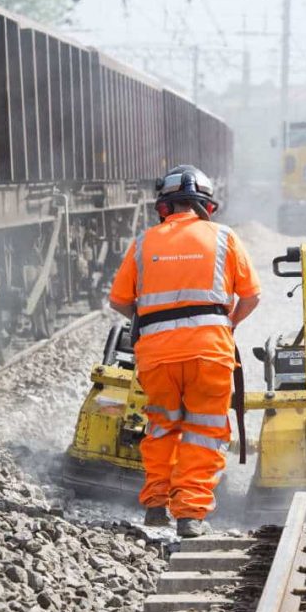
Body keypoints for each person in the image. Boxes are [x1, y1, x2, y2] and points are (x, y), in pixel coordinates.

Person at [108, 165, 261, 538]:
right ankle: (190, 515)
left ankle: (156, 505)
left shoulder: (144, 242)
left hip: (157, 355)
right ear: (207, 206)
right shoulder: (225, 238)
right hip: (210, 352)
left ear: (164, 207)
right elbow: (252, 296)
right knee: (204, 430)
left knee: (161, 426)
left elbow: (119, 301)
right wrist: (227, 324)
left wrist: (150, 320)